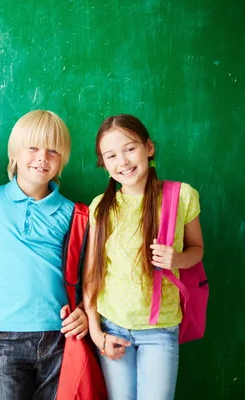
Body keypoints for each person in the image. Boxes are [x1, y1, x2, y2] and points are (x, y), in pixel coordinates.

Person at [83, 114, 204, 400]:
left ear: (148, 147)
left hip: (160, 329)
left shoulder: (181, 196)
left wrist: (177, 260)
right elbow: (91, 277)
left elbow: (197, 251)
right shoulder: (101, 207)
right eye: (111, 155)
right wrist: (97, 334)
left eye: (130, 149)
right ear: (104, 163)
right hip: (113, 327)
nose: (122, 162)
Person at [0, 110, 88, 399]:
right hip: (4, 335)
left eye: (53, 150)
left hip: (60, 335)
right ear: (14, 152)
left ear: (63, 159)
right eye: (33, 148)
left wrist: (87, 313)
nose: (42, 157)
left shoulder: (74, 213)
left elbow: (90, 275)